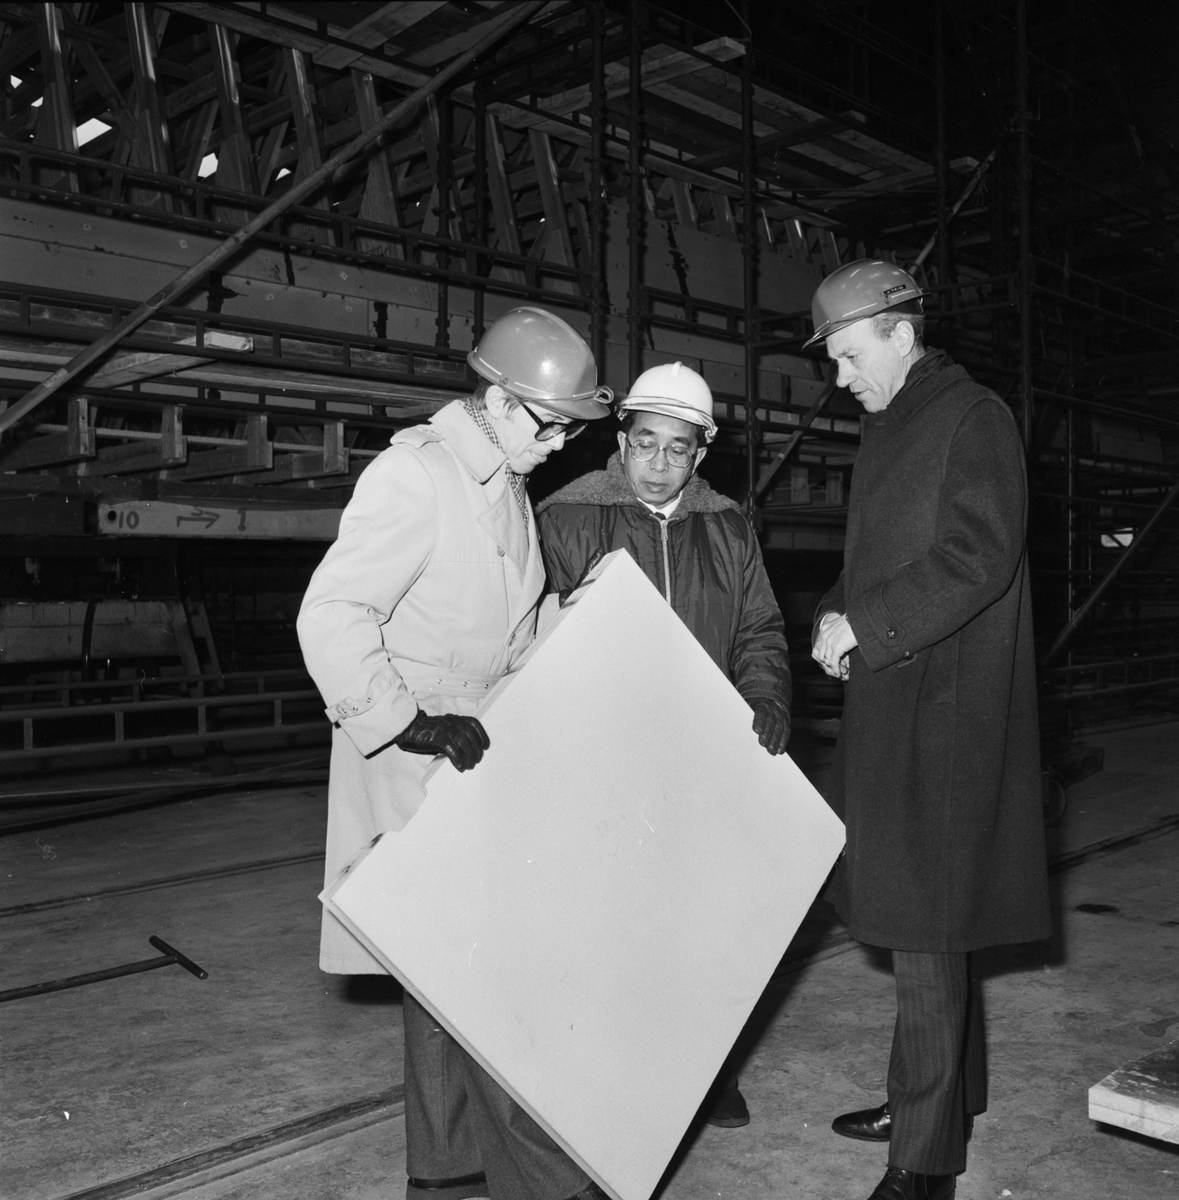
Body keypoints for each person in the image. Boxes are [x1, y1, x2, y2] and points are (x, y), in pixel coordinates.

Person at [297, 307, 613, 1200]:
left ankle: (444, 1174)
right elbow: (332, 614)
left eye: (569, 431)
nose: (558, 445)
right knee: (482, 971)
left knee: (442, 972)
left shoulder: (502, 482)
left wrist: (575, 618)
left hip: (472, 748)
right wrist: (407, 720)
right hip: (414, 755)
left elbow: (502, 626)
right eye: (549, 426)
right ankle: (541, 1180)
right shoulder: (416, 474)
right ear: (498, 399)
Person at [806, 261, 1050, 1200]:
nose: (840, 378)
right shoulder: (895, 423)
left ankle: (924, 1157)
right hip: (897, 695)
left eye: (848, 356)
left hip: (945, 712)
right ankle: (941, 1099)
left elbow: (978, 555)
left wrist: (867, 625)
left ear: (901, 335)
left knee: (926, 920)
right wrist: (835, 613)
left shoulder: (969, 416)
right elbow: (871, 560)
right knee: (930, 918)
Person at [536, 360, 792, 1129]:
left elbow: (757, 629)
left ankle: (708, 1073)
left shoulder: (727, 526)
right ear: (621, 439)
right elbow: (532, 638)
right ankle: (606, 1075)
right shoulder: (565, 518)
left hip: (701, 762)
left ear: (700, 453)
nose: (658, 462)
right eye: (645, 442)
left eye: (678, 448)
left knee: (704, 924)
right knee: (607, 926)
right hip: (601, 761)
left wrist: (765, 698)